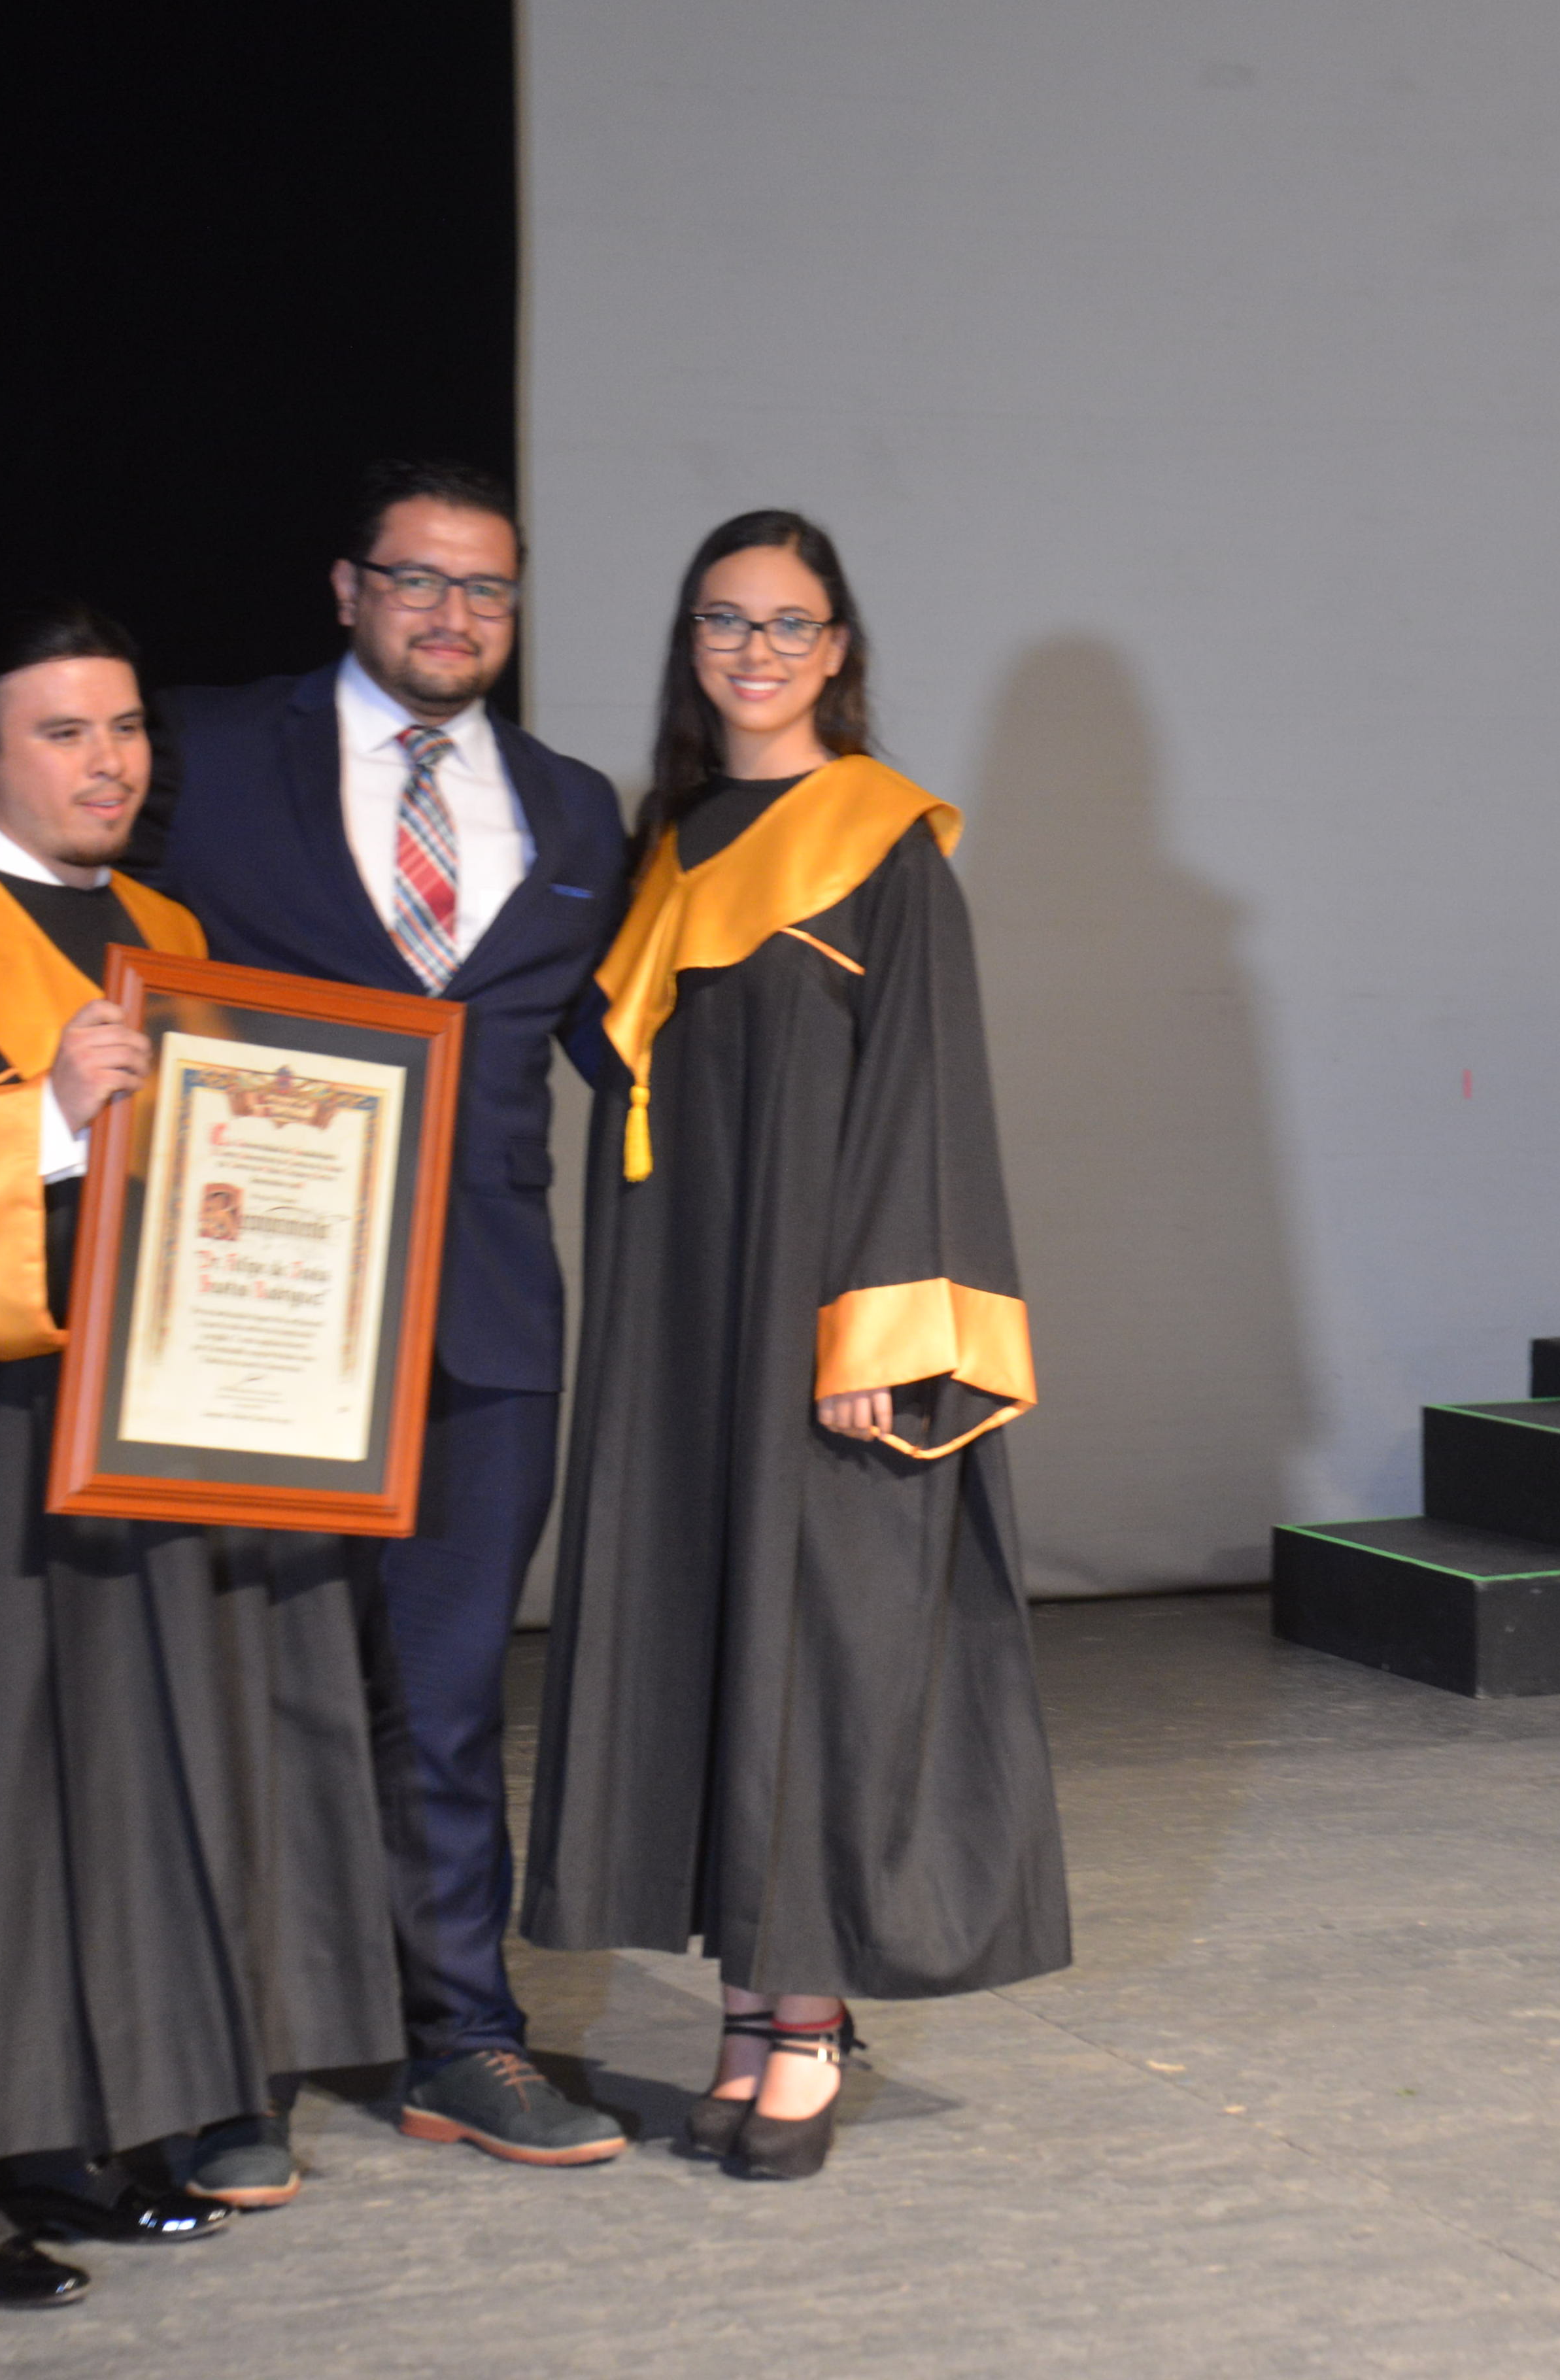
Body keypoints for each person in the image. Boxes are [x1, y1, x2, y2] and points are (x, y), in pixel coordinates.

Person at [0, 603, 403, 2306]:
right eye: (63, 732)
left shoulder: (164, 931)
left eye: (125, 728)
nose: (109, 763)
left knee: (118, 1797)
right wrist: (40, 1115)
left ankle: (71, 2139)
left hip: (154, 1439)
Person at [521, 511, 1072, 2181]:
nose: (754, 650)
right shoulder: (671, 843)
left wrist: (877, 1327)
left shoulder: (884, 844)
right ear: (691, 642)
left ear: (839, 650)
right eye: (724, 619)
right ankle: (751, 2006)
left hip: (821, 1317)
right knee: (717, 1635)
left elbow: (924, 1095)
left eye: (788, 623)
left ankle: (813, 2015)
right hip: (686, 1314)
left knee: (819, 1650)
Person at [133, 462, 630, 2165]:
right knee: (245, 1695)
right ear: (347, 588)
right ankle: (222, 2064)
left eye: (486, 589)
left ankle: (459, 2037)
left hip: (485, 1326)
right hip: (252, 1306)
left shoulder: (575, 812)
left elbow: (640, 1058)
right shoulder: (202, 749)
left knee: (451, 1698)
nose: (452, 615)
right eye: (418, 579)